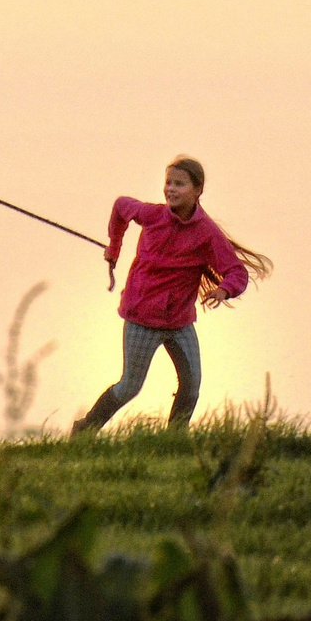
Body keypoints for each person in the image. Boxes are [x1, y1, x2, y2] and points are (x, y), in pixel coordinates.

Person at [71, 156, 273, 437]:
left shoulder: (207, 233)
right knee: (130, 385)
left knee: (191, 387)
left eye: (179, 184)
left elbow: (236, 271)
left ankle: (174, 439)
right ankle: (84, 430)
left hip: (179, 324)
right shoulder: (152, 215)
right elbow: (120, 207)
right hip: (141, 319)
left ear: (198, 190)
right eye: (168, 183)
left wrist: (224, 289)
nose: (170, 189)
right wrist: (114, 247)